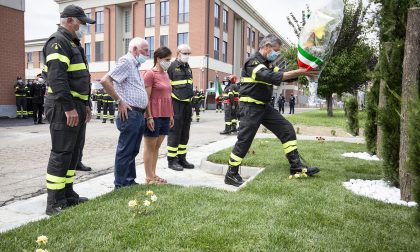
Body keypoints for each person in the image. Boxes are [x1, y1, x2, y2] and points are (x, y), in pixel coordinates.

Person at [224, 34, 320, 187]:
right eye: (276, 50)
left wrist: (306, 70)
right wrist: (300, 72)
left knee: (286, 129)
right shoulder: (253, 62)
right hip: (250, 108)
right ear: (267, 46)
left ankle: (296, 166)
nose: (277, 54)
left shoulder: (267, 63)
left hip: (264, 107)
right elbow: (270, 76)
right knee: (244, 140)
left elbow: (283, 74)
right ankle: (231, 174)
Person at [42, 4, 95, 215]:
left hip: (77, 106)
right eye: (83, 23)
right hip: (64, 107)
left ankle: (67, 194)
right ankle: (54, 202)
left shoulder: (73, 43)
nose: (85, 27)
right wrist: (69, 108)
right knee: (62, 152)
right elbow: (57, 78)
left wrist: (86, 105)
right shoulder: (58, 42)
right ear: (70, 20)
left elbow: (81, 78)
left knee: (73, 153)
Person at [100, 37, 149, 188]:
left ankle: (129, 180)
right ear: (135, 50)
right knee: (126, 149)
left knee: (132, 149)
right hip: (130, 113)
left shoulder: (135, 66)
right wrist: (119, 101)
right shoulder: (126, 61)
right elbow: (105, 80)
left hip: (138, 113)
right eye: (145, 50)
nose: (147, 54)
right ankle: (121, 183)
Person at [143, 46, 174, 184]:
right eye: (167, 59)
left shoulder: (166, 74)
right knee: (149, 147)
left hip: (165, 115)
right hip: (153, 115)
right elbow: (146, 98)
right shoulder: (150, 74)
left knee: (157, 147)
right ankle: (148, 177)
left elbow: (168, 96)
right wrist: (149, 116)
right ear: (158, 58)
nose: (169, 62)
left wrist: (171, 115)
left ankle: (154, 174)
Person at [166, 44, 195, 171]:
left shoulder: (188, 68)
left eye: (189, 53)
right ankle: (172, 160)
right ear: (178, 53)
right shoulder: (171, 67)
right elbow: (167, 87)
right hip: (176, 104)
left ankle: (182, 158)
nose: (187, 56)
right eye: (185, 53)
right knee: (175, 132)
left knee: (185, 132)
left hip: (187, 104)